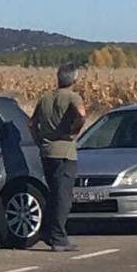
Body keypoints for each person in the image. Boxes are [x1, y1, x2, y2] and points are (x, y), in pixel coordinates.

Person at [31, 63, 86, 251]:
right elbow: (81, 114)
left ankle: (48, 231)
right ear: (74, 79)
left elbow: (32, 123)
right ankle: (58, 237)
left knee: (53, 193)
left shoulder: (45, 98)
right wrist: (74, 131)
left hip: (46, 151)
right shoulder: (72, 97)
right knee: (63, 197)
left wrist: (39, 140)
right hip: (65, 152)